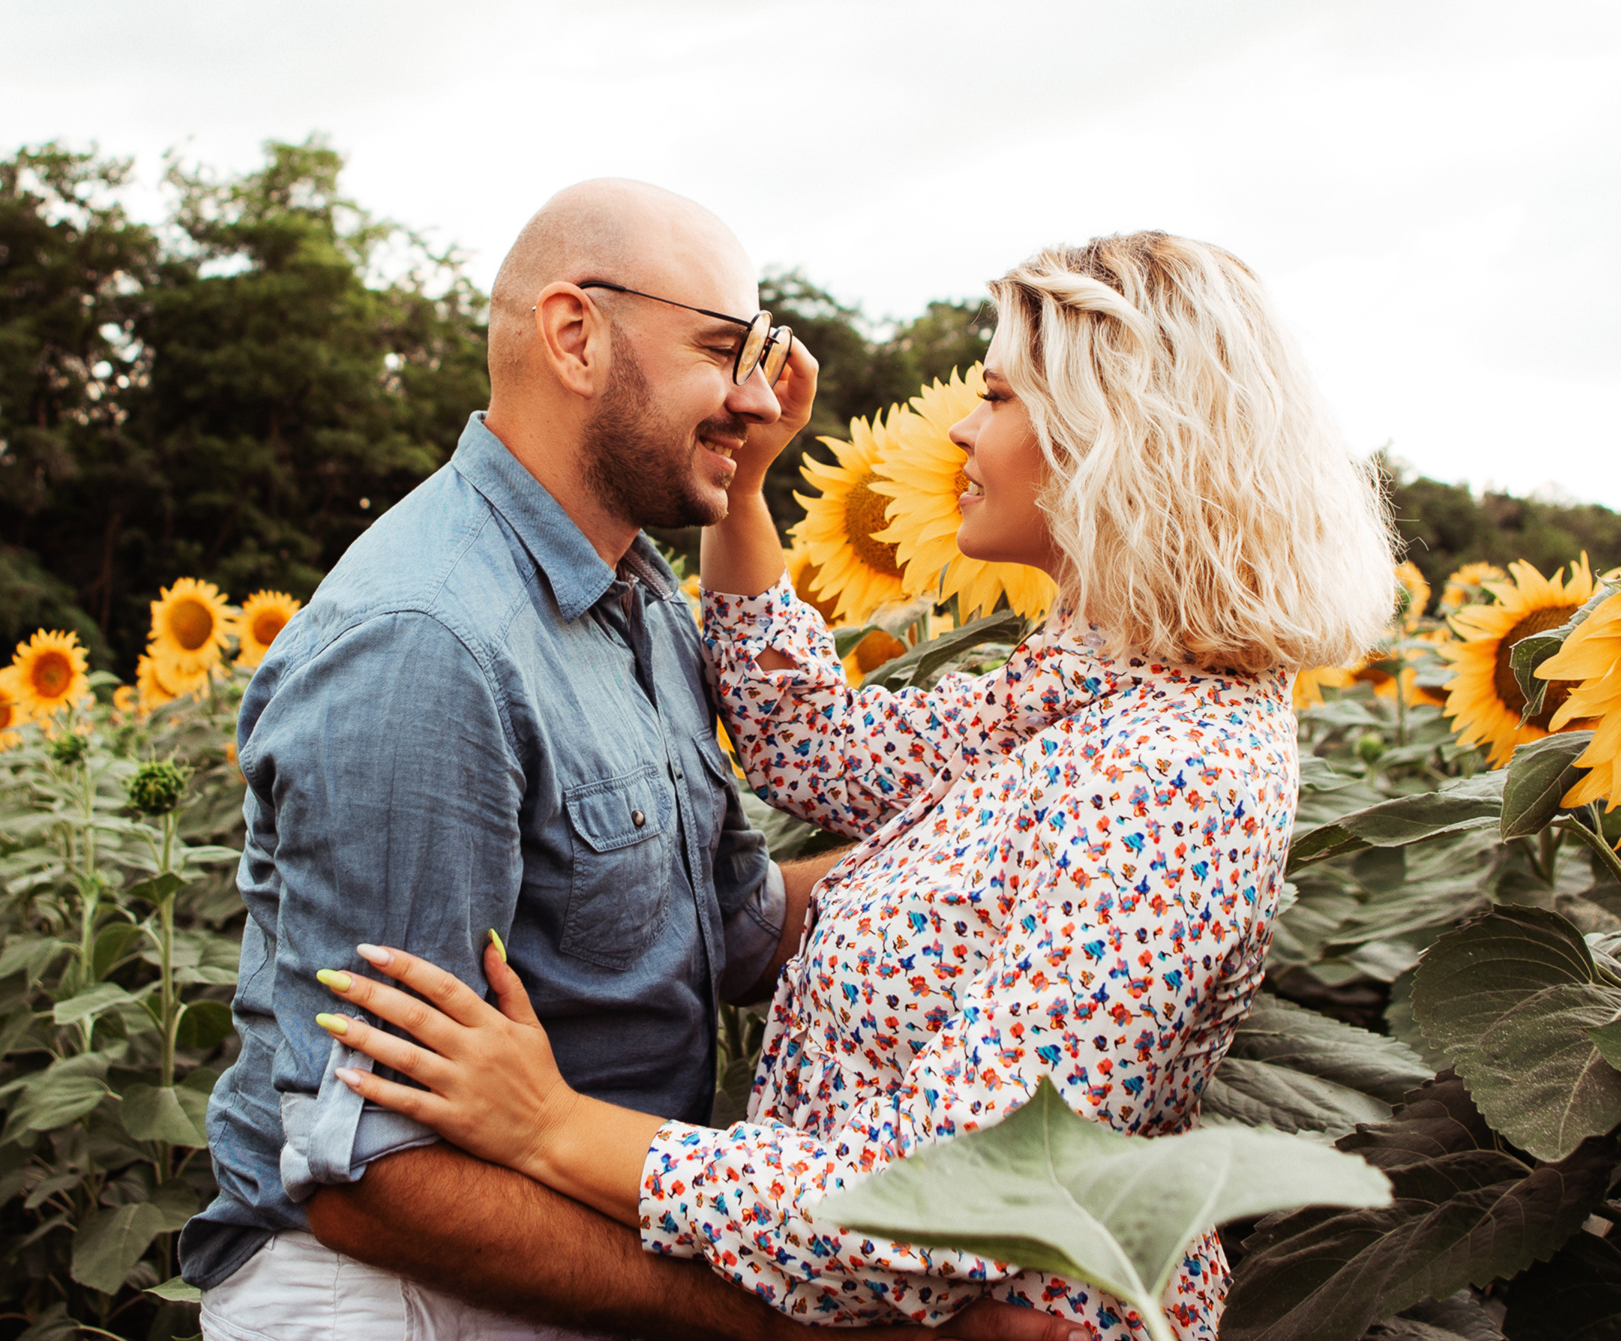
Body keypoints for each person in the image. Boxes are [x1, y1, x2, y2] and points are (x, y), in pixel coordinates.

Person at [311, 232, 1398, 1340]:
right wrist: (745, 490)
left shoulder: (1178, 777)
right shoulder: (1095, 676)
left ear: (1113, 436)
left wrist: (552, 1128)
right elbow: (813, 745)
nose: (963, 428)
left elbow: (952, 1205)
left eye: (997, 397)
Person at [184, 181, 1090, 1341]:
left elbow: (739, 930)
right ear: (576, 338)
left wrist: (1042, 842)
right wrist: (805, 1331)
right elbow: (369, 1176)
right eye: (723, 350)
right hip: (405, 1296)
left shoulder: (637, 594)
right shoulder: (427, 643)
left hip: (577, 1244)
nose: (759, 397)